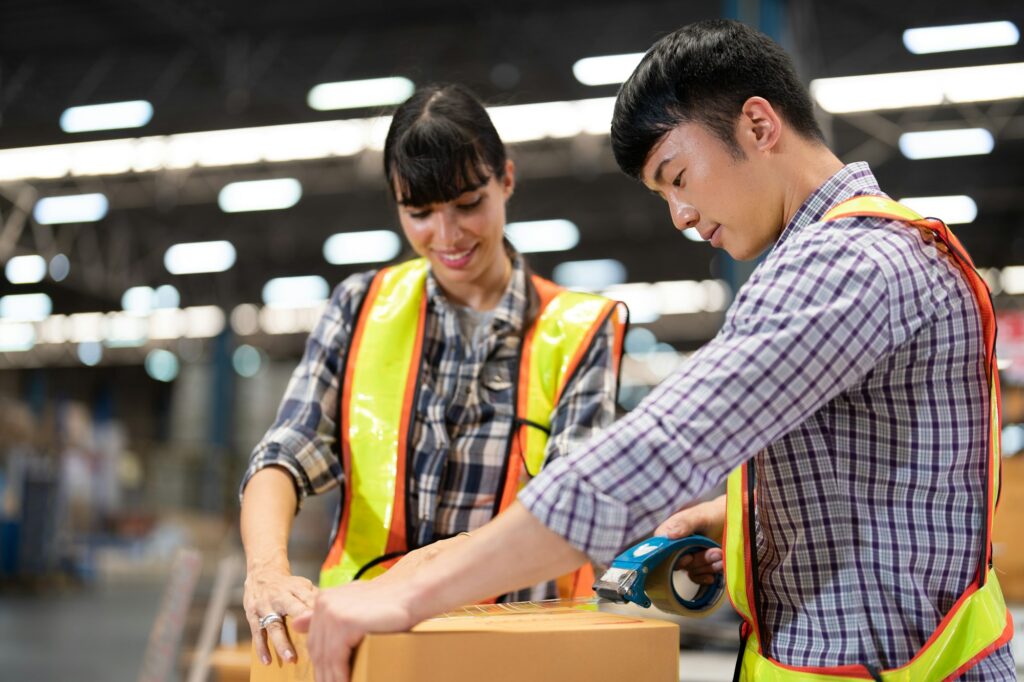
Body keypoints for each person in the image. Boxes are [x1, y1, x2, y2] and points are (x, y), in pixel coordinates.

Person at [293, 18, 1017, 682]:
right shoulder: (828, 262)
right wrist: (737, 520)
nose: (681, 215)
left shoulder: (850, 267)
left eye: (678, 177)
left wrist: (405, 596)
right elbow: (886, 479)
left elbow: (660, 448)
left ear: (759, 125)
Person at [239, 83, 626, 667]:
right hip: (364, 646)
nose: (446, 238)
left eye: (468, 203)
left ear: (507, 181)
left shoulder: (579, 328)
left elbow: (576, 502)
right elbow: (285, 452)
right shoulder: (359, 307)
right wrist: (266, 570)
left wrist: (443, 562)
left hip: (522, 652)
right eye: (419, 214)